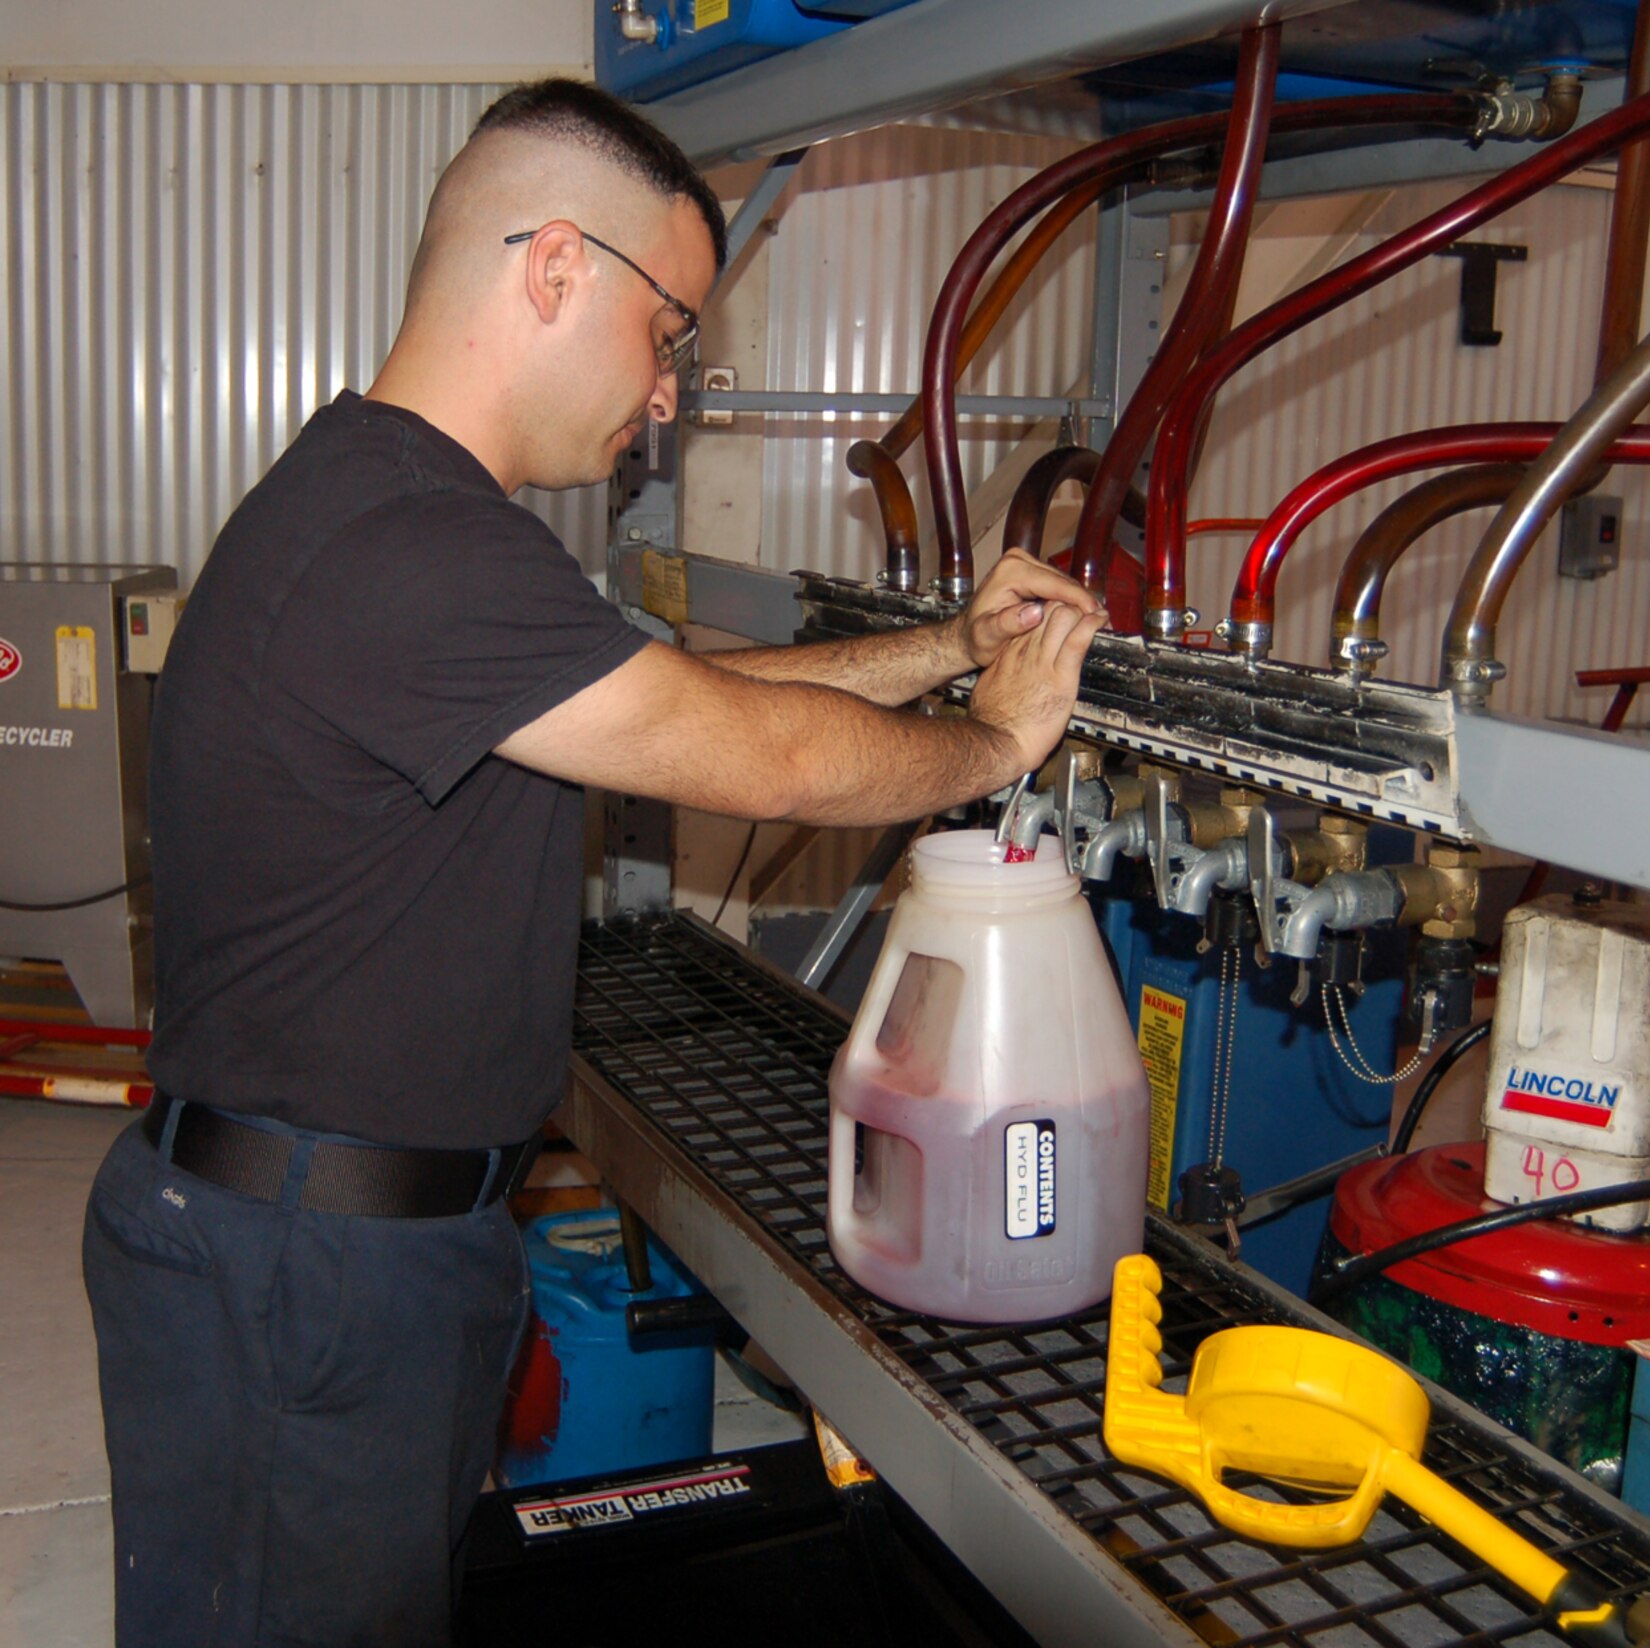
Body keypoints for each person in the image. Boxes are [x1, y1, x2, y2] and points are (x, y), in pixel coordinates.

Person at [82, 78, 1103, 1647]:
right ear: (558, 268)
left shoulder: (404, 513)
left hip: (350, 1249)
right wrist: (996, 746)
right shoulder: (409, 545)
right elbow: (760, 761)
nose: (671, 393)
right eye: (671, 329)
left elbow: (695, 705)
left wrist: (953, 652)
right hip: (307, 1275)